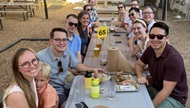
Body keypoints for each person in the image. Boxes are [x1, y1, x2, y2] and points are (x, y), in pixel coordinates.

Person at [37, 27, 104, 107]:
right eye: (58, 40)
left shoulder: (66, 51)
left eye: (64, 40)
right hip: (53, 91)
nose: (62, 43)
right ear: (51, 41)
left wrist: (93, 69)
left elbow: (76, 65)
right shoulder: (40, 57)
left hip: (66, 85)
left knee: (88, 94)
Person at [135, 22, 188, 108]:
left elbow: (166, 91)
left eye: (159, 36)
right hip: (156, 89)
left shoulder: (174, 59)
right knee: (133, 94)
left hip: (174, 97)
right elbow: (138, 65)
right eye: (152, 36)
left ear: (166, 38)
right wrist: (140, 76)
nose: (155, 39)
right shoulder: (150, 50)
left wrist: (150, 106)